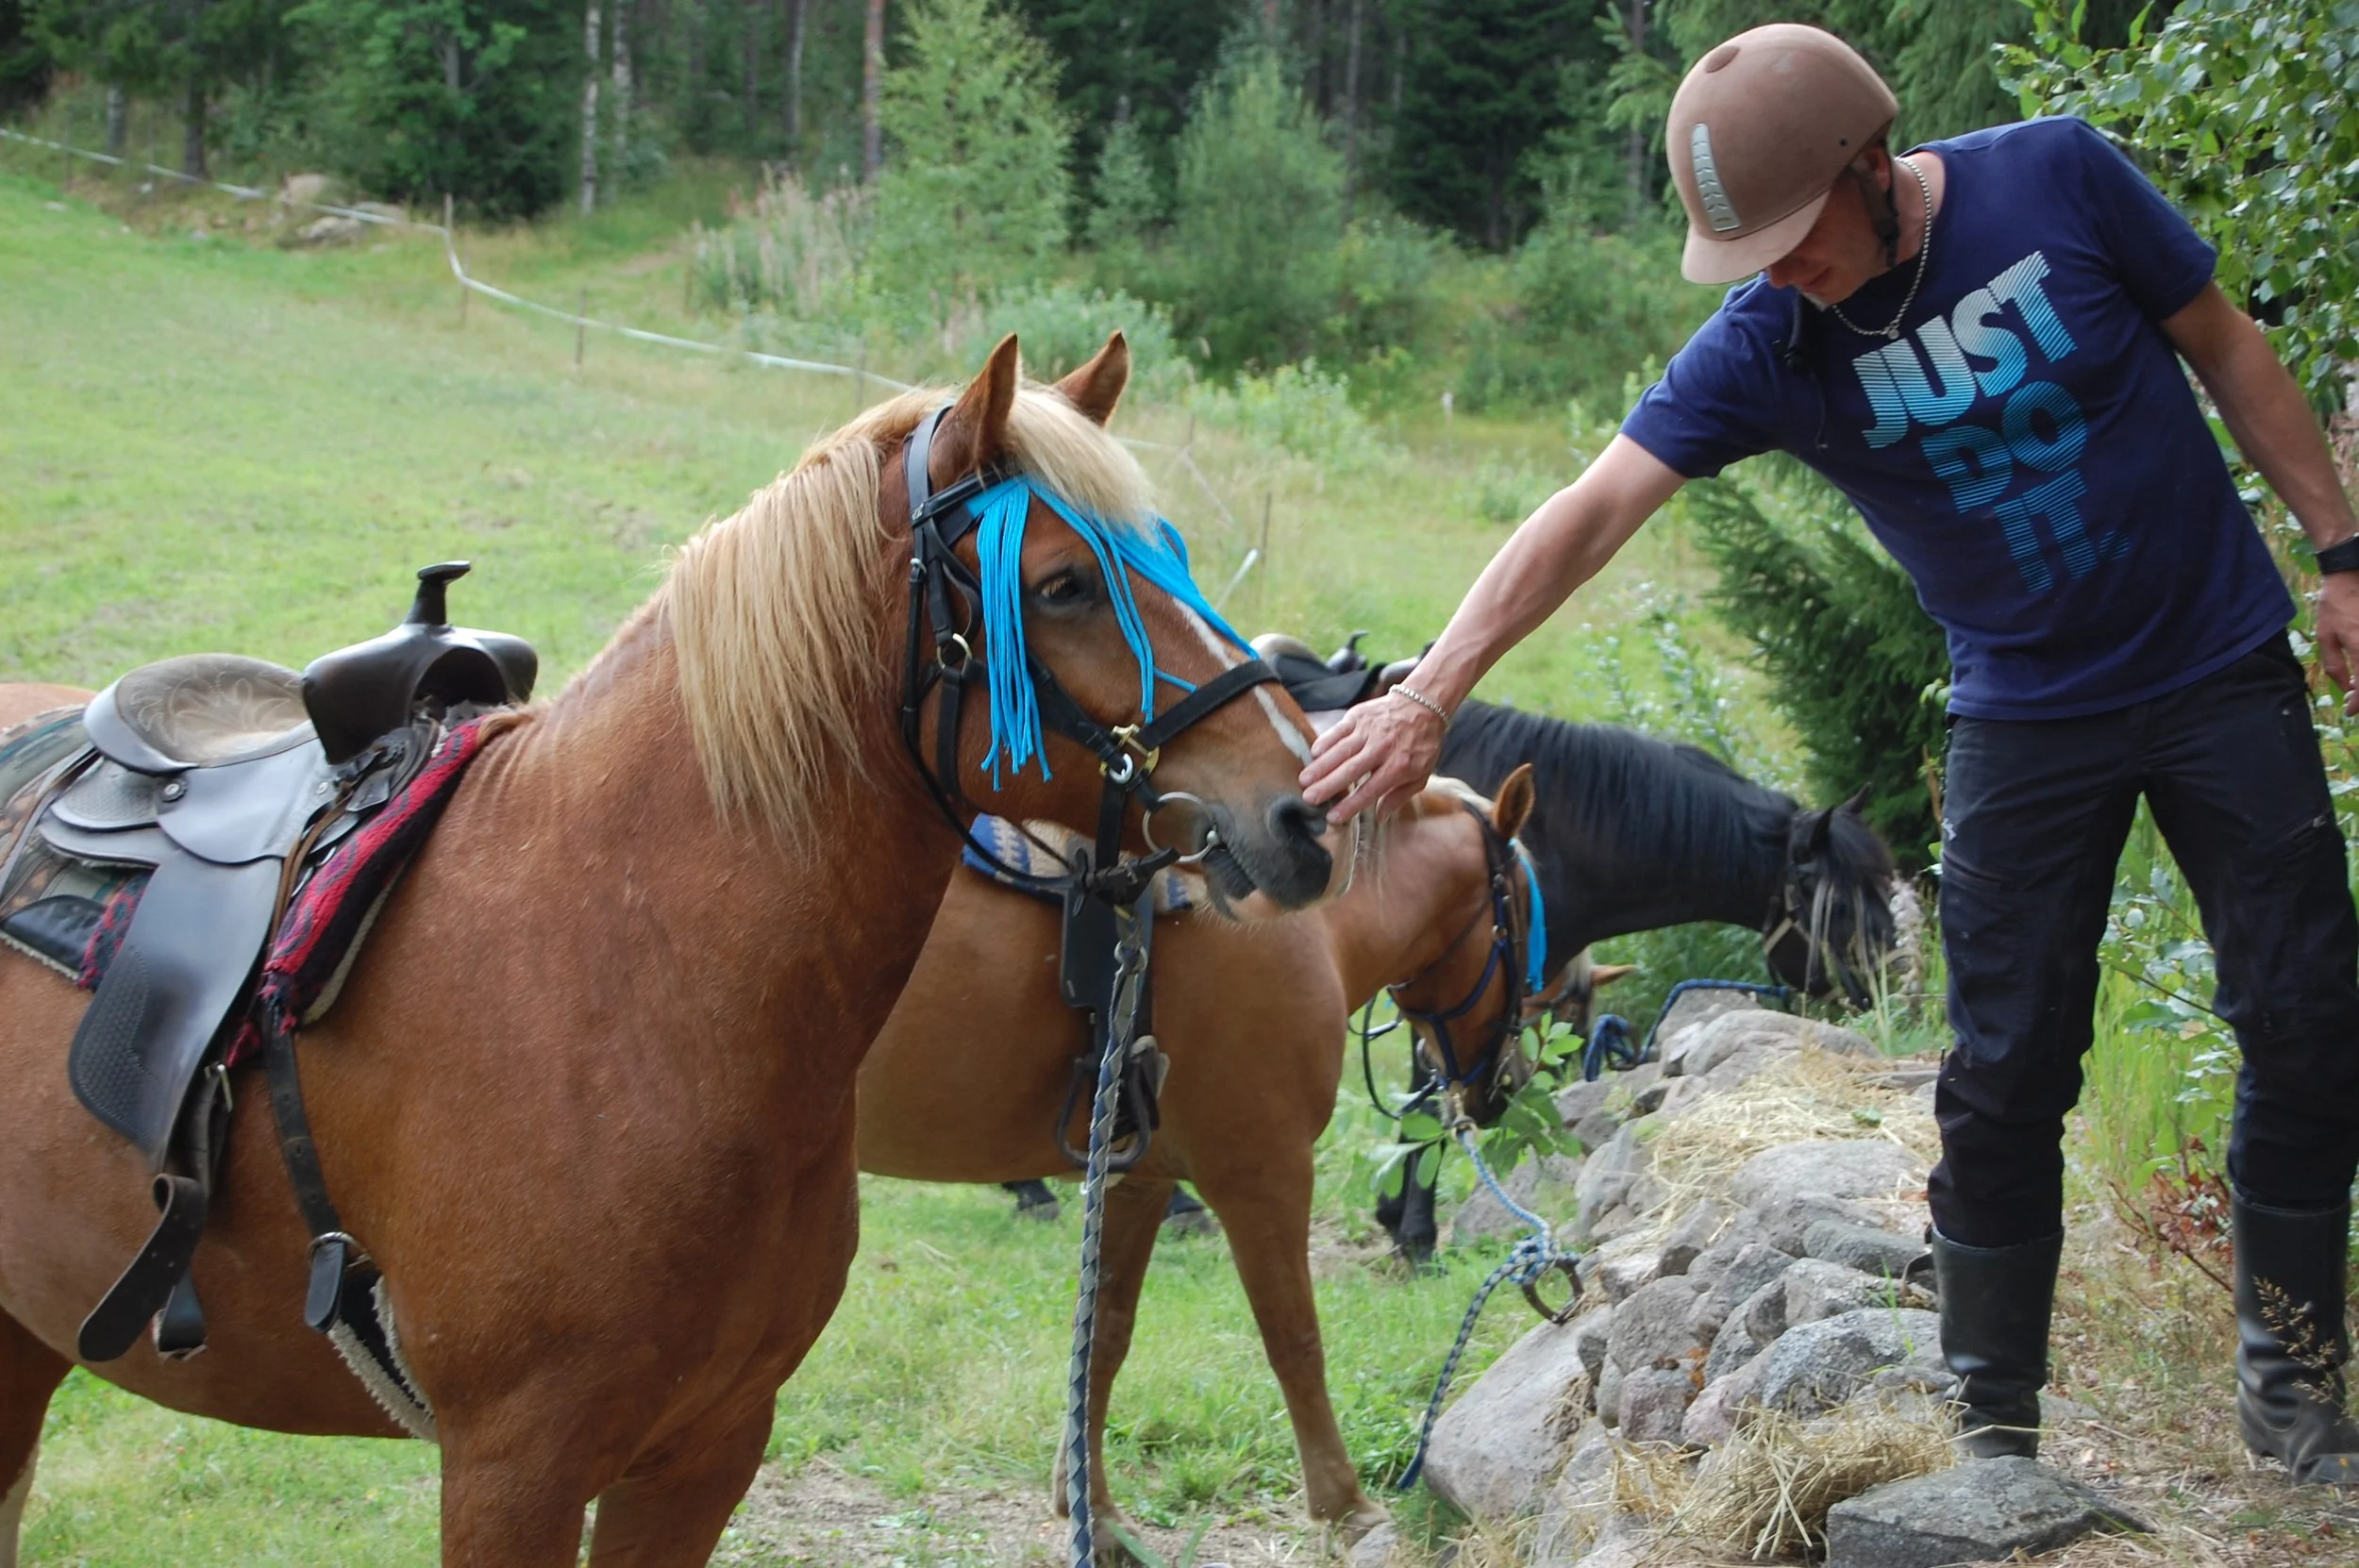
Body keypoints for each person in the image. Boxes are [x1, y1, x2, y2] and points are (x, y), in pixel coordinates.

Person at [1299, 23, 2359, 1483]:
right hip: (2024, 718)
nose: (1779, 275)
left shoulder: (2056, 179)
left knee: (2308, 1017)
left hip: (2216, 667)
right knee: (2003, 1068)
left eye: (1798, 240)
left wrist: (2343, 550)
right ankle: (1994, 1432)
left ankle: (2294, 1394)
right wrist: (1431, 691)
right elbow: (1591, 510)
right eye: (1754, 255)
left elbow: (2227, 345)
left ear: (1875, 164)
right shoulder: (1771, 344)